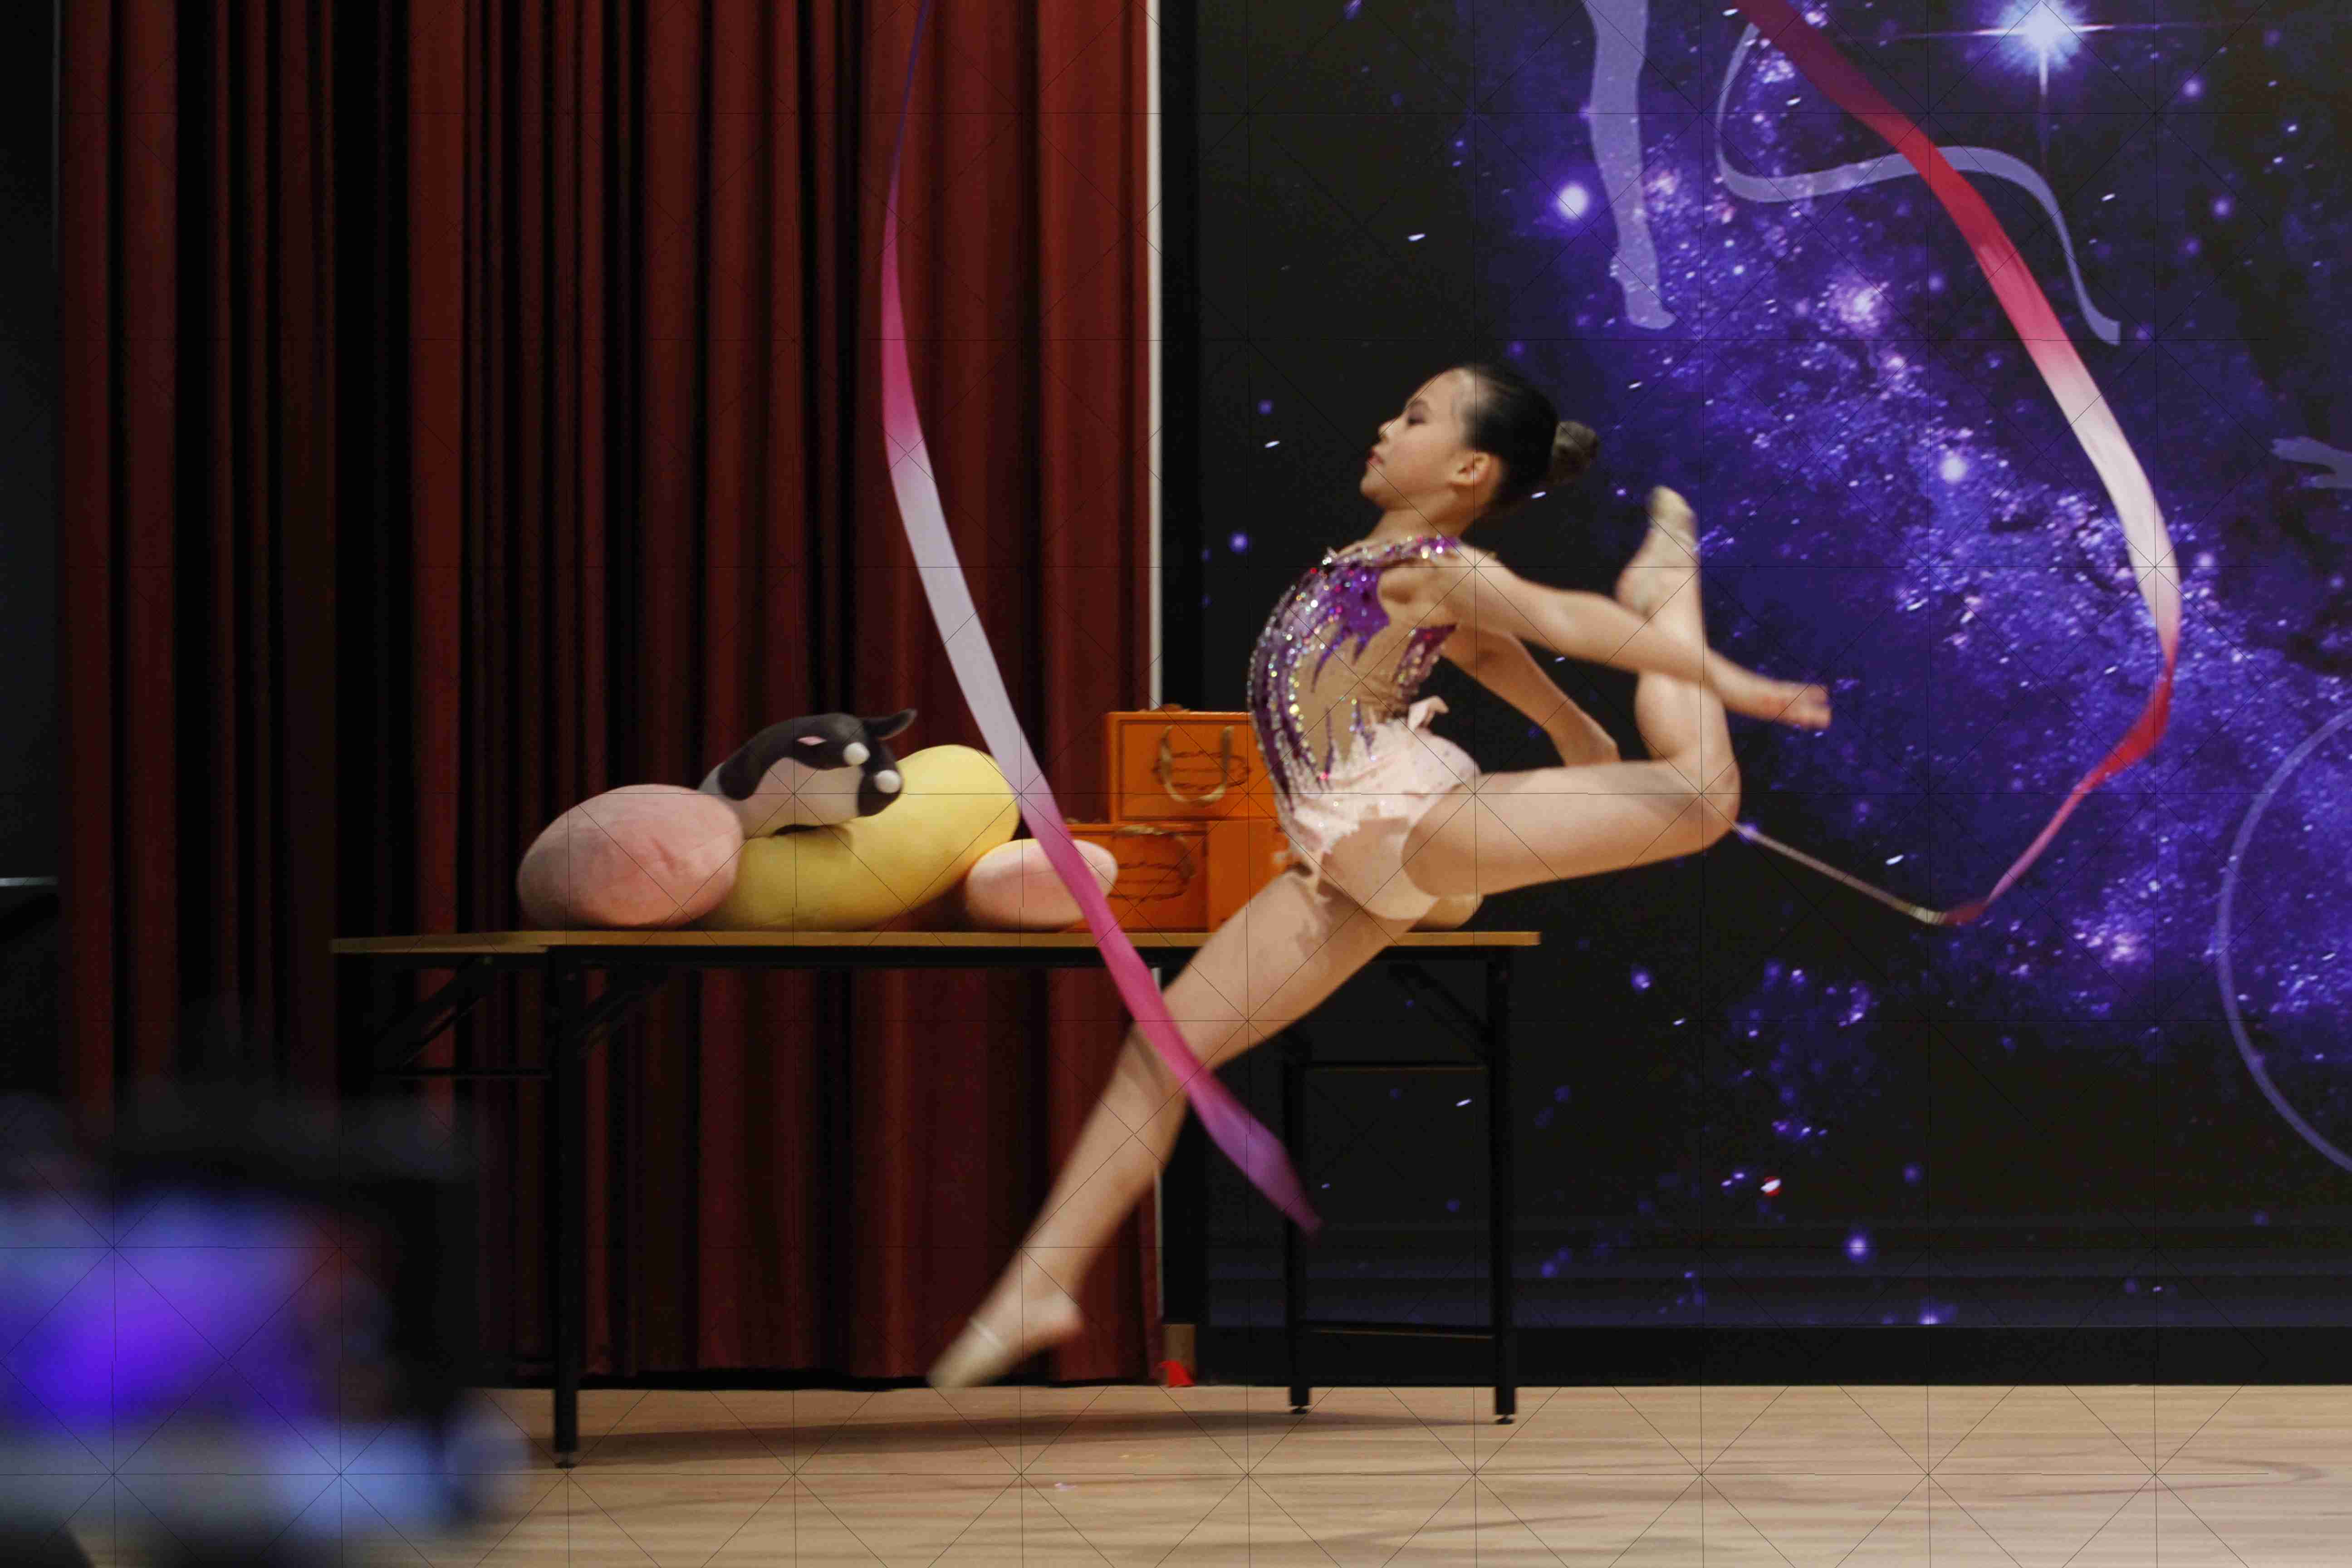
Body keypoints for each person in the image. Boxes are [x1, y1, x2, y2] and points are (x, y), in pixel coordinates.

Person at [926, 361, 1833, 1389]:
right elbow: (1486, 655)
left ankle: (1667, 592)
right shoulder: (1381, 568)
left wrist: (1746, 688)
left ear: (1467, 469)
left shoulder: (1436, 564)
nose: (1386, 426)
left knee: (1703, 799)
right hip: (1342, 866)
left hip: (1415, 823)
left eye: (1415, 417)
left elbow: (1568, 625)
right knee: (1164, 1044)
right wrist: (1572, 727)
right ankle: (1041, 1282)